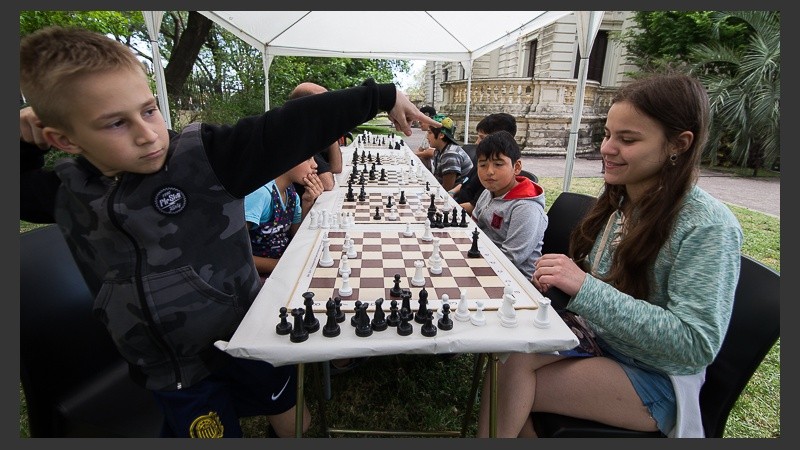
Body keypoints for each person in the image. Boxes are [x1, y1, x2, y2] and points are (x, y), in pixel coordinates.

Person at [19, 26, 438, 438]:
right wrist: (25, 142)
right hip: (172, 368)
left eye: (149, 110)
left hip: (244, 331)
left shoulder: (203, 158)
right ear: (63, 138)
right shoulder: (68, 190)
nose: (148, 134)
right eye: (115, 124)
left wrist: (381, 95)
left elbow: (287, 124)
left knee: (293, 418)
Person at [476, 73, 743, 438]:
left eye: (627, 139)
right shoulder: (622, 201)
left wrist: (584, 287)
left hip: (656, 375)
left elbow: (695, 344)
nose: (606, 148)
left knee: (510, 381)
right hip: (600, 342)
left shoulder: (709, 226)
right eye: (607, 134)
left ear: (678, 144)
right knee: (509, 356)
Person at [470, 130, 546, 281]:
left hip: (515, 278)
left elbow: (511, 259)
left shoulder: (526, 208)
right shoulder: (489, 191)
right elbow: (474, 227)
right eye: (483, 164)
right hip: (483, 258)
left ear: (516, 167)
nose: (489, 172)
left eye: (498, 164)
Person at [244, 156, 324, 281]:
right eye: (308, 158)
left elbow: (297, 236)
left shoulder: (291, 193)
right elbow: (234, 254)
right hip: (255, 280)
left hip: (281, 269)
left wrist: (307, 202)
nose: (315, 165)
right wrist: (284, 265)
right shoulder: (260, 194)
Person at [454, 112, 517, 215]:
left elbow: (475, 207)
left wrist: (448, 207)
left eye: (482, 138)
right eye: (482, 165)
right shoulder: (481, 161)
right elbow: (467, 182)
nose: (477, 142)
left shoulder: (493, 179)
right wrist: (452, 193)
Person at [287, 82, 343, 196]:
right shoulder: (298, 134)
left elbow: (336, 167)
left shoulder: (313, 131)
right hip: (299, 207)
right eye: (325, 104)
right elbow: (327, 183)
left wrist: (331, 128)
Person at [428, 115, 473, 192]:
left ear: (441, 135)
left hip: (458, 196)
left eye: (430, 133)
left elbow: (447, 189)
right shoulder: (439, 151)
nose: (427, 136)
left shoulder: (450, 155)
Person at [412, 105, 438, 171]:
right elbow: (420, 149)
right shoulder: (428, 132)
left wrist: (414, 155)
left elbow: (432, 152)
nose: (419, 124)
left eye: (420, 122)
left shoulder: (437, 131)